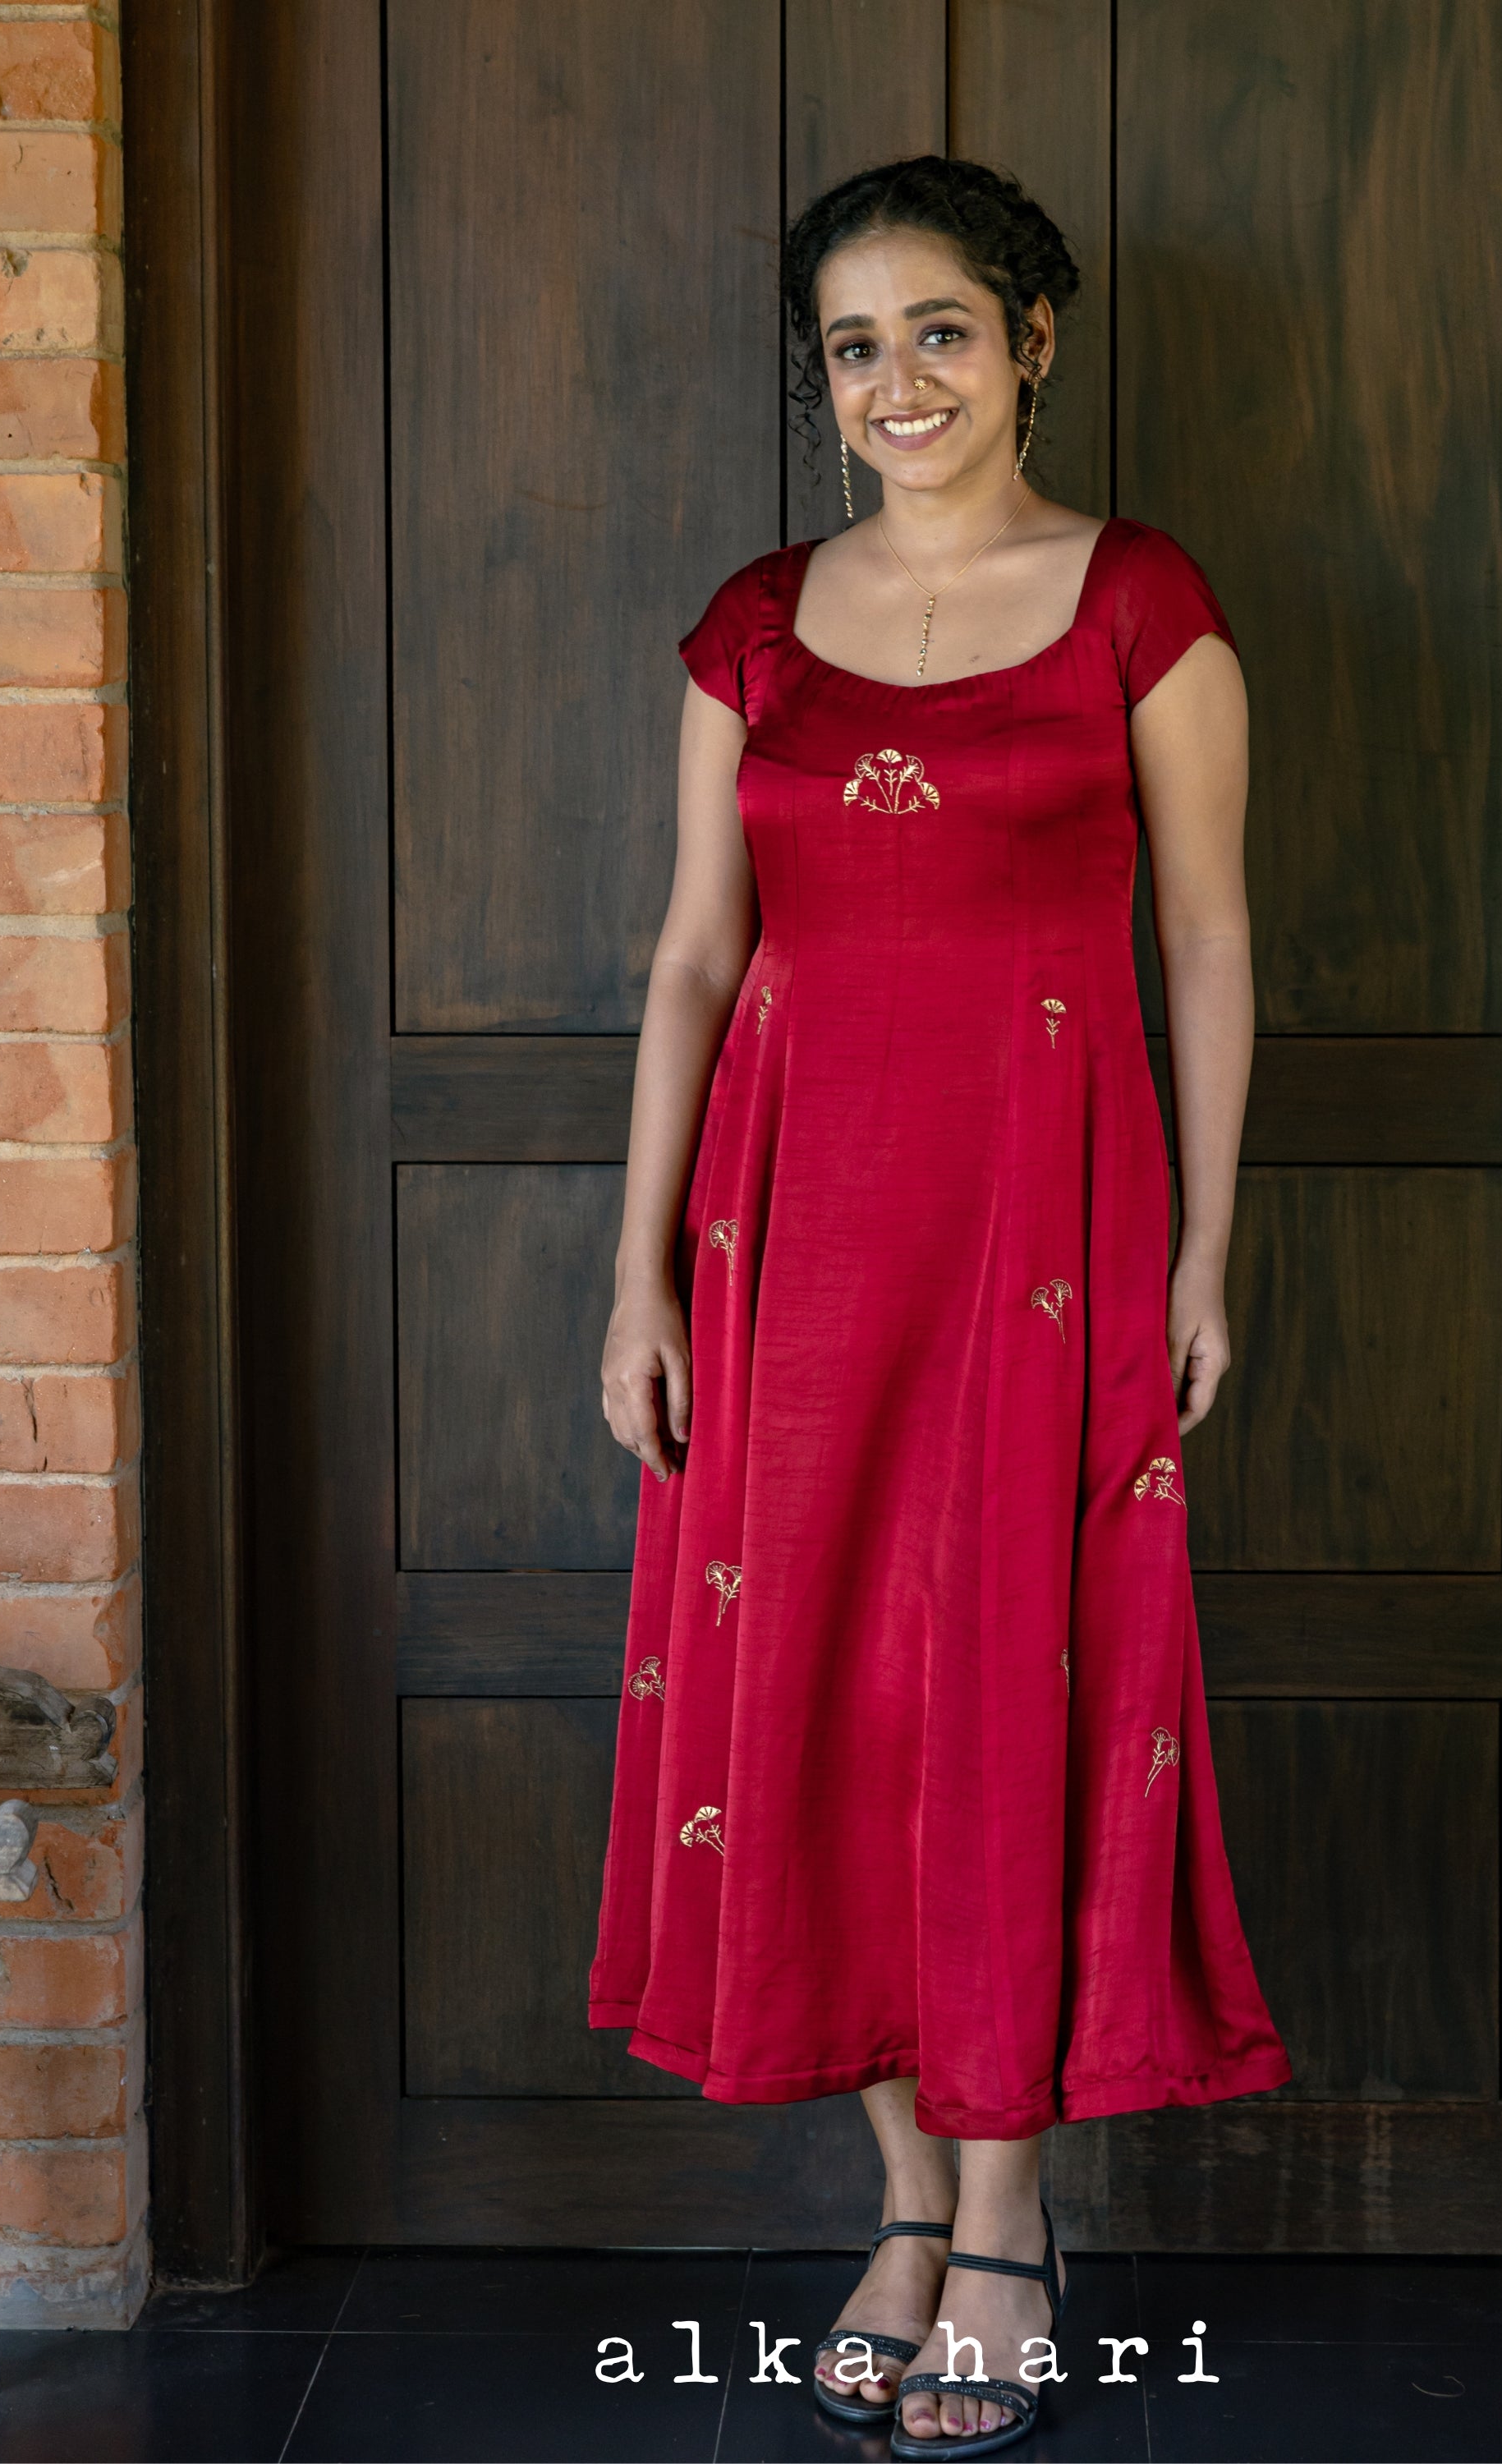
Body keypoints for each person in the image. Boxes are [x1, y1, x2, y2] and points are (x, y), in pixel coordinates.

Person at [592, 155, 1288, 2459]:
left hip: (1046, 1236)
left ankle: (1009, 2222)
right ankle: (900, 2203)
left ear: (1034, 341)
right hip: (787, 1250)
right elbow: (697, 955)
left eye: (939, 333)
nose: (896, 383)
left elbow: (1202, 939)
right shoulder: (756, 628)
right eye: (853, 346)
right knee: (822, 1711)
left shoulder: (1139, 607)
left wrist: (1201, 1248)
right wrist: (638, 1280)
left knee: (1013, 1693)